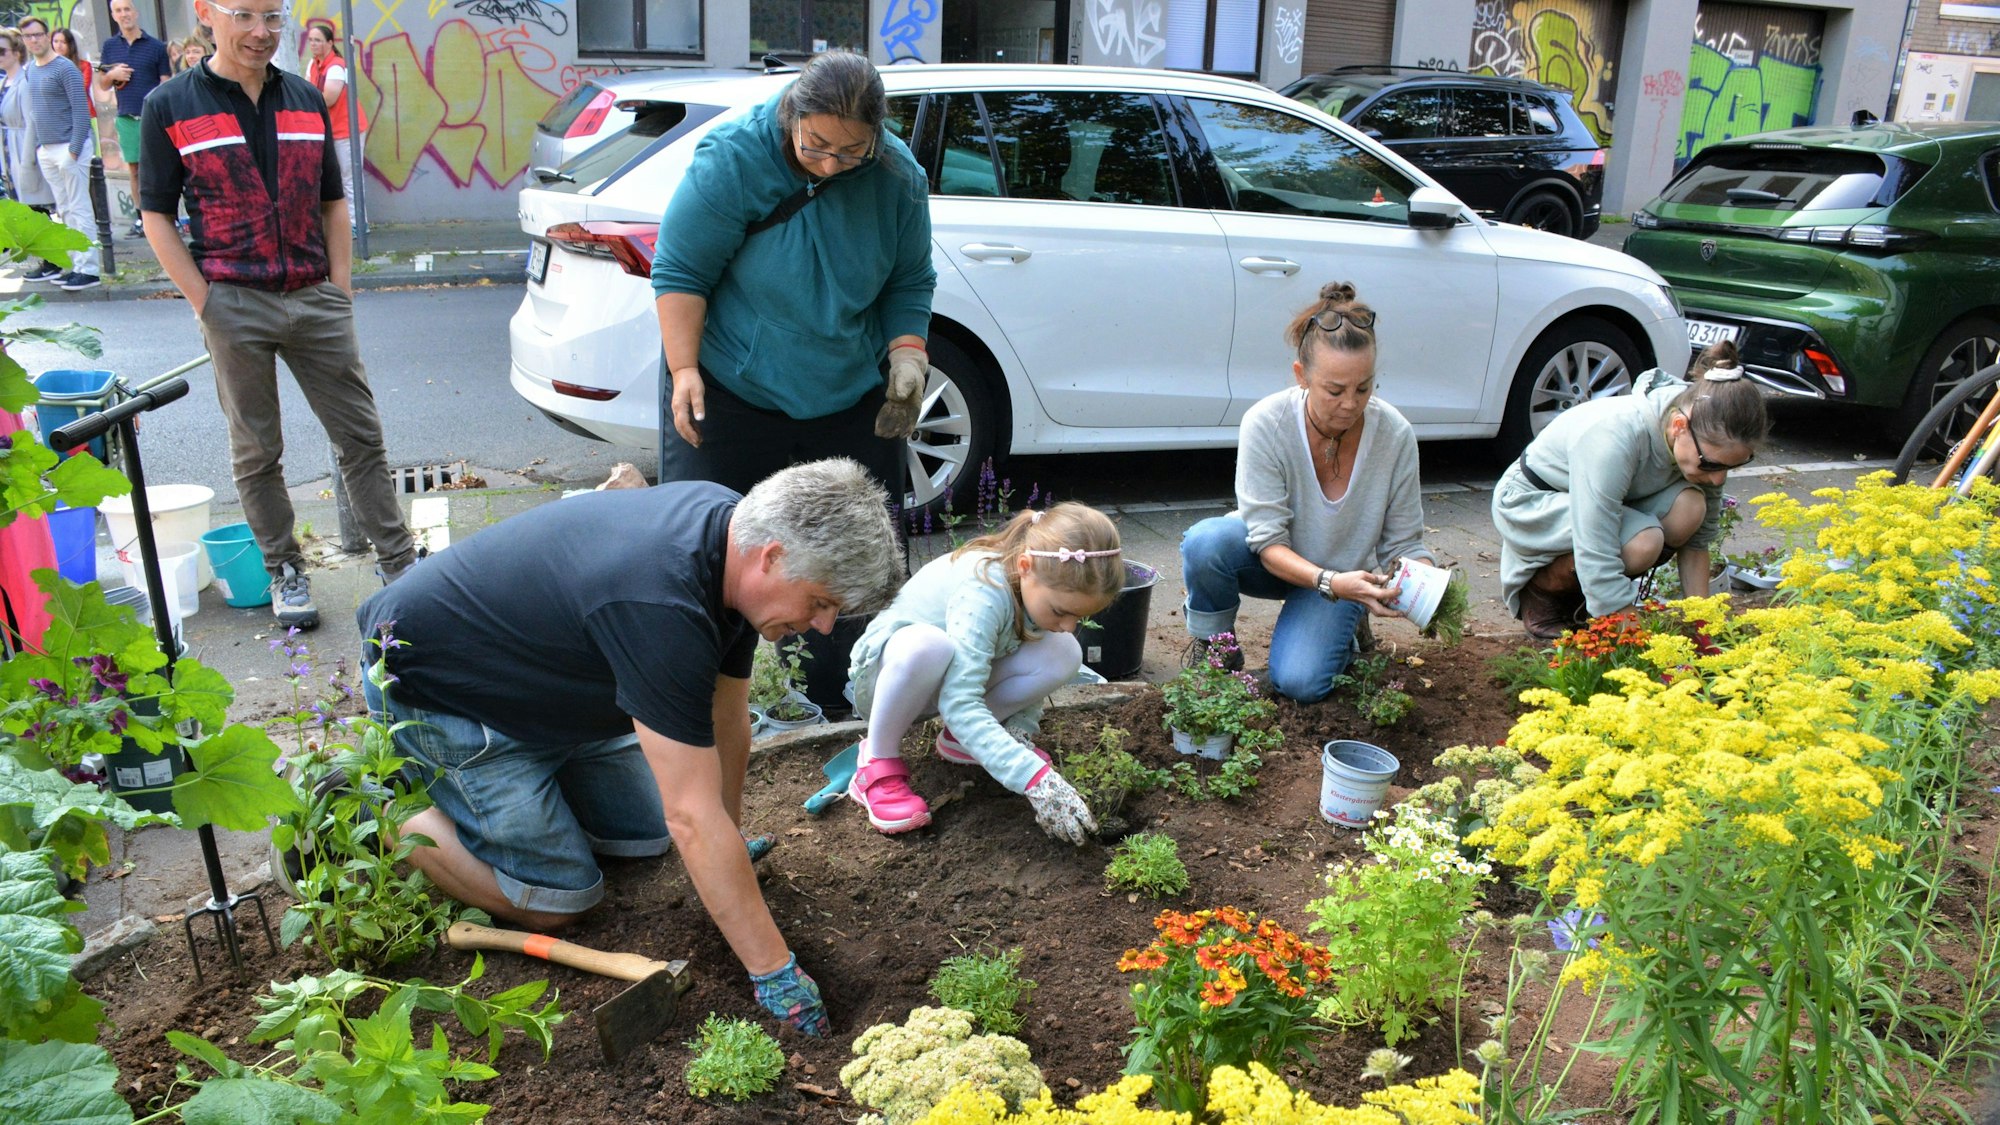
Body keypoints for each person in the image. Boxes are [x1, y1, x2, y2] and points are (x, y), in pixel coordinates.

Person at [356, 458, 905, 1038]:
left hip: (548, 687)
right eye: (820, 602)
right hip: (445, 695)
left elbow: (727, 718)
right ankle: (382, 807)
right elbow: (691, 816)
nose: (822, 626)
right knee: (558, 900)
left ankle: (537, 794)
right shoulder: (660, 603)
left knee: (648, 836)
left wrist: (731, 843)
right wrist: (772, 968)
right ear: (771, 557)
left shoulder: (732, 537)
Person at [650, 49, 935, 711]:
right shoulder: (733, 159)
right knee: (709, 559)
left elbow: (909, 279)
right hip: (733, 388)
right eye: (817, 146)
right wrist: (683, 368)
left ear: (878, 137)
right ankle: (696, 706)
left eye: (852, 151)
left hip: (846, 395)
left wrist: (906, 358)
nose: (833, 163)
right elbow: (681, 272)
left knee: (860, 561)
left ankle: (853, 705)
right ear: (791, 116)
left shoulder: (897, 177)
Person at [140, 0, 419, 629]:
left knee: (361, 437)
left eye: (274, 16)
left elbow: (331, 200)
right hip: (233, 299)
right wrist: (203, 299)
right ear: (207, 14)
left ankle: (399, 563)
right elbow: (155, 212)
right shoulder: (171, 105)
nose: (262, 32)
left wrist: (340, 288)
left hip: (315, 296)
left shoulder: (305, 99)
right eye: (245, 15)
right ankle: (284, 569)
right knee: (257, 450)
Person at [1179, 282, 1434, 704]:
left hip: (1347, 576)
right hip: (1272, 562)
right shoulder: (1266, 423)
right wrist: (1328, 581)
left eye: (1364, 388)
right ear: (1301, 376)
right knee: (1207, 543)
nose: (1351, 404)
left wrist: (1425, 585)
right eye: (1335, 390)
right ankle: (1216, 651)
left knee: (1300, 683)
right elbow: (1266, 541)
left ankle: (1344, 625)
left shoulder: (1394, 434)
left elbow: (1405, 541)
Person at [843, 503, 1115, 842]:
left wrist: (1017, 731)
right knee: (929, 647)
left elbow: (1021, 660)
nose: (1069, 625)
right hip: (889, 681)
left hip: (946, 679)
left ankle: (963, 742)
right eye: (1062, 612)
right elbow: (960, 702)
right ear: (1025, 566)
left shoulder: (1035, 587)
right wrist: (1031, 777)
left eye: (1079, 617)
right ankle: (876, 762)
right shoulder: (984, 590)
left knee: (1064, 652)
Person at [1493, 339, 1769, 640]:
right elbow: (1596, 541)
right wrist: (1631, 634)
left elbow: (1698, 542)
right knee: (1644, 542)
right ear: (1678, 426)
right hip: (1531, 501)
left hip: (1599, 506)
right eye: (1712, 465)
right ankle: (1545, 595)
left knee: (1691, 508)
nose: (1719, 480)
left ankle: (1596, 601)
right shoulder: (1615, 437)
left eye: (1732, 467)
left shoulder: (1707, 432)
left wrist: (1705, 628)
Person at [19, 17, 98, 290]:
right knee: (64, 211)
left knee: (80, 209)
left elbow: (81, 110)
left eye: (38, 35)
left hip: (70, 146)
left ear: (46, 35)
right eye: (28, 37)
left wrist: (74, 151)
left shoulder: (65, 68)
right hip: (48, 149)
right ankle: (76, 266)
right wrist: (40, 147)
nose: (34, 40)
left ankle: (89, 269)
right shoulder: (31, 69)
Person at [96, 0, 173, 238]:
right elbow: (102, 84)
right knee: (134, 170)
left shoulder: (156, 46)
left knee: (162, 168)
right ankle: (142, 220)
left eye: (127, 9)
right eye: (118, 11)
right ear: (113, 16)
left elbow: (165, 82)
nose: (124, 14)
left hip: (153, 117)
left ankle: (169, 217)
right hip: (126, 115)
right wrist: (113, 74)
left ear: (136, 12)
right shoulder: (109, 46)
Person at [302, 22, 362, 231]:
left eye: (318, 40)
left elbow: (329, 98)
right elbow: (308, 91)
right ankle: (343, 223)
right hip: (327, 130)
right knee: (331, 179)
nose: (313, 44)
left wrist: (309, 97)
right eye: (310, 40)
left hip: (347, 130)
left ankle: (357, 223)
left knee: (349, 177)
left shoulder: (336, 66)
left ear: (329, 43)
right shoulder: (313, 64)